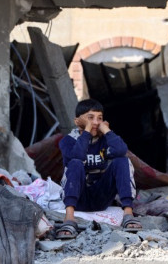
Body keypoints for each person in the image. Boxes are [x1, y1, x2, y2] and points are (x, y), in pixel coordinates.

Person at [56, 99, 142, 239]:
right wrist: (87, 132)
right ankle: (69, 219)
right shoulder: (68, 140)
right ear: (77, 121)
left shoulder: (105, 139)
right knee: (76, 163)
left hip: (101, 197)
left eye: (100, 118)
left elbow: (121, 150)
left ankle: (128, 213)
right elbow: (78, 155)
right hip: (78, 198)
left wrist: (107, 131)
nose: (95, 122)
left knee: (122, 160)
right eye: (90, 118)